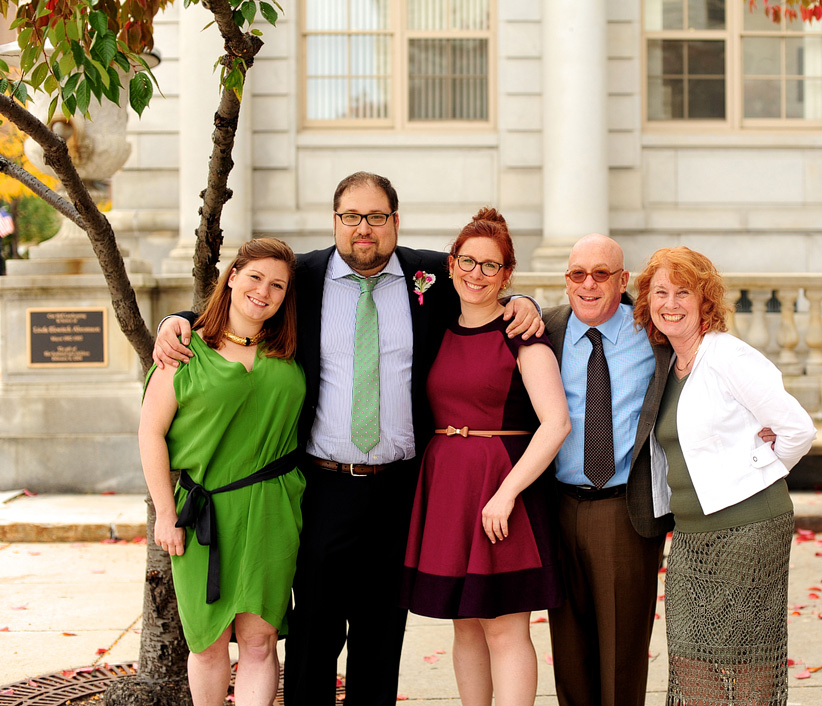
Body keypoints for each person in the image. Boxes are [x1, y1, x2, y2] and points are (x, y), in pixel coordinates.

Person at [151, 172, 544, 705]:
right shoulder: (304, 276)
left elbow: (484, 284)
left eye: (377, 217)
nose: (365, 228)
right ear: (334, 221)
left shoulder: (429, 273)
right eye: (352, 217)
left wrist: (525, 302)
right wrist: (179, 319)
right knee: (313, 630)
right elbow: (246, 305)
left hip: (401, 486)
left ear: (395, 222)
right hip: (321, 484)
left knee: (381, 635)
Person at [633, 246, 817, 705]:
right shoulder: (669, 364)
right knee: (692, 656)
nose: (670, 303)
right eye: (660, 292)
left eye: (683, 293)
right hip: (692, 536)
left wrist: (755, 475)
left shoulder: (729, 357)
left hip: (750, 530)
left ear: (704, 302)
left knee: (749, 654)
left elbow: (798, 429)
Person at [400, 208, 570, 706]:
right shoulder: (434, 328)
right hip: (448, 489)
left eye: (490, 265)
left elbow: (556, 423)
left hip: (502, 487)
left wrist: (507, 493)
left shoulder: (522, 335)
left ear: (507, 275)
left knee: (504, 630)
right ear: (451, 266)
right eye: (467, 262)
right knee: (466, 627)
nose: (476, 274)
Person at [139, 237, 306, 706]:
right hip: (202, 516)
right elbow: (151, 433)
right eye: (254, 277)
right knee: (208, 643)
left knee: (260, 642)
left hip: (273, 511)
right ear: (231, 277)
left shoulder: (291, 351)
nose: (264, 292)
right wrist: (165, 514)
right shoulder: (185, 353)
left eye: (277, 285)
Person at [541, 233, 674, 706]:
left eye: (601, 274)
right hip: (557, 506)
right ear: (567, 279)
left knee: (621, 654)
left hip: (625, 511)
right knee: (570, 650)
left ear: (623, 279)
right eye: (578, 274)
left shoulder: (656, 334)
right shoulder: (546, 328)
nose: (589, 284)